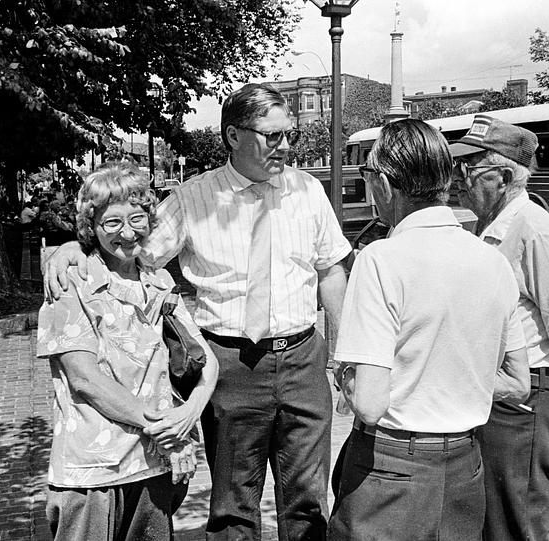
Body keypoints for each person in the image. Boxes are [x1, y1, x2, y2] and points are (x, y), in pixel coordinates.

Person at [45, 83, 351, 540]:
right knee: (233, 506)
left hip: (304, 361)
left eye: (289, 135)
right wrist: (74, 245)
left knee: (308, 502)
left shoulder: (307, 190)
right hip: (230, 366)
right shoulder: (194, 199)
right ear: (233, 135)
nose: (285, 146)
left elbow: (330, 271)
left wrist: (343, 354)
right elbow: (128, 246)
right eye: (272, 136)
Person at [328, 119, 530, 541]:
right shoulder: (491, 260)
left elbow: (368, 402)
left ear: (384, 183)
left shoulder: (381, 259)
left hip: (390, 466)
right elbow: (517, 383)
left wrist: (344, 374)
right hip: (464, 465)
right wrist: (449, 376)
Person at [37, 162, 219, 540]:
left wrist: (188, 416)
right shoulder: (72, 281)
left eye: (137, 218)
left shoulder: (160, 281)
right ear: (92, 226)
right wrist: (163, 427)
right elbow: (84, 378)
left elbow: (204, 359)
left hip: (154, 462)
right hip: (95, 470)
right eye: (112, 223)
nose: (127, 232)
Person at [450, 114, 549, 541]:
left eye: (470, 169)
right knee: (496, 525)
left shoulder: (532, 229)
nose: (460, 179)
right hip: (506, 398)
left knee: (519, 528)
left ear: (502, 175)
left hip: (530, 401)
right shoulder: (496, 225)